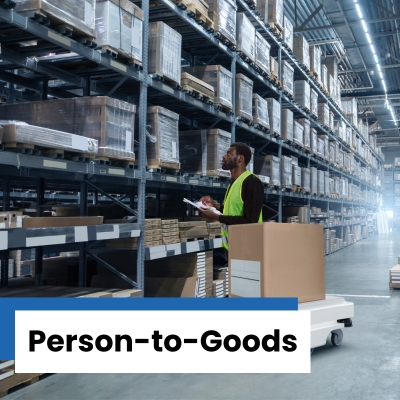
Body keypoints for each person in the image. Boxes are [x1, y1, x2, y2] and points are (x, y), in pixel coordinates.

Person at [199, 142, 264, 252]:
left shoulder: (252, 182)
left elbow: (250, 221)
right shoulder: (234, 183)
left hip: (248, 248)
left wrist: (216, 217)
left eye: (229, 154)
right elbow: (234, 210)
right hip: (234, 246)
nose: (224, 156)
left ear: (240, 159)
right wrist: (215, 206)